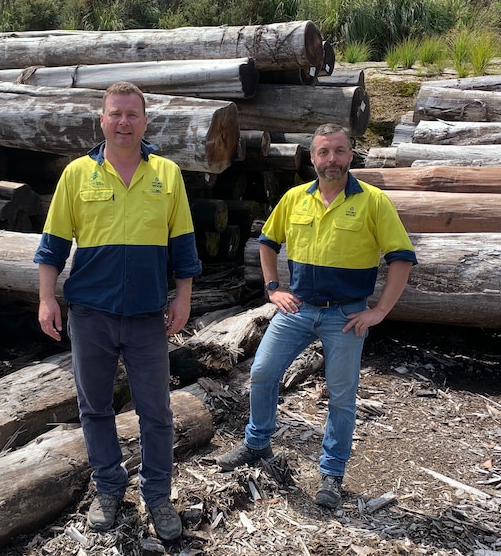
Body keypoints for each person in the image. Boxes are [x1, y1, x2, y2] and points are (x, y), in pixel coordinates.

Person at [215, 123, 417, 509]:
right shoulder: (294, 198)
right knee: (262, 373)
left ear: (351, 155)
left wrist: (379, 311)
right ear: (312, 158)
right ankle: (257, 443)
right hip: (298, 309)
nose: (332, 160)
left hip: (347, 316)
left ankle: (332, 472)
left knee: (341, 396)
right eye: (324, 153)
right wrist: (274, 288)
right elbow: (267, 243)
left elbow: (401, 258)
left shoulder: (373, 202)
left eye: (339, 152)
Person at [34, 81, 202, 540]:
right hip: (90, 314)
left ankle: (159, 497)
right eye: (116, 114)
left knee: (157, 411)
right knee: (95, 407)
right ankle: (109, 488)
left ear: (145, 121)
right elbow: (52, 247)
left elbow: (184, 246)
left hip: (148, 315)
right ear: (102, 121)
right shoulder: (76, 175)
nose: (124, 122)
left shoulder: (167, 174)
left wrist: (183, 296)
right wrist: (48, 298)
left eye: (132, 114)